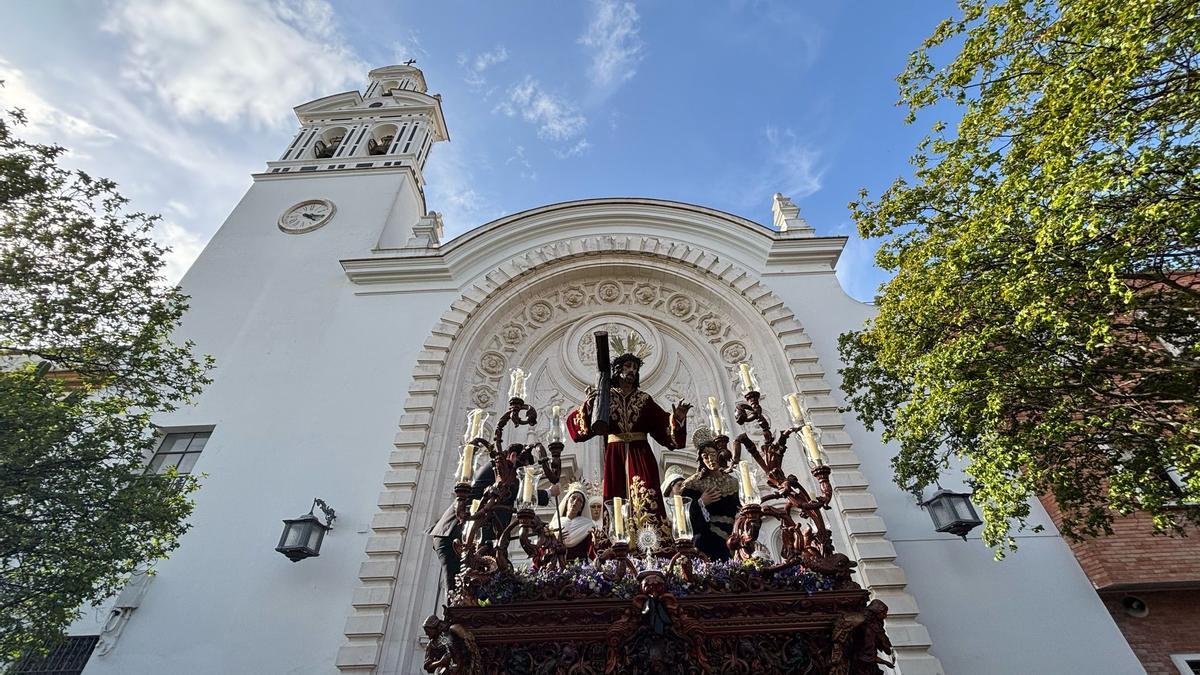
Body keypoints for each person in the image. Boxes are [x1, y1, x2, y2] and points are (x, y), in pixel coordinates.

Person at [567, 351, 690, 518]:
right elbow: (581, 429)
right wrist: (589, 405)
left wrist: (678, 419)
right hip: (614, 454)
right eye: (627, 366)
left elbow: (663, 427)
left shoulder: (645, 399)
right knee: (616, 499)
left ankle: (650, 536)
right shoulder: (604, 397)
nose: (632, 370)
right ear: (617, 370)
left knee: (647, 497)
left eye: (635, 367)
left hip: (640, 454)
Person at [427, 444, 557, 589]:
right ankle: (452, 611)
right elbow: (513, 489)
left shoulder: (502, 474)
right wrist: (548, 493)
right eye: (521, 469)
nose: (521, 477)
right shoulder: (497, 469)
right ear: (513, 456)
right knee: (456, 587)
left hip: (469, 536)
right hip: (452, 533)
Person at [680, 429, 739, 561]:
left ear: (718, 454)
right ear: (701, 460)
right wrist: (701, 503)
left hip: (734, 535)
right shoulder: (693, 484)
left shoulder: (732, 481)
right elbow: (684, 516)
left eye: (712, 454)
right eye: (705, 457)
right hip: (709, 537)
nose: (710, 459)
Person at [552, 483, 596, 562]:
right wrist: (556, 541)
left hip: (580, 569)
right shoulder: (554, 525)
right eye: (573, 498)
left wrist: (596, 542)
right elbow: (546, 551)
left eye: (579, 500)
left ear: (581, 507)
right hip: (558, 567)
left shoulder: (588, 526)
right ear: (567, 502)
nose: (575, 502)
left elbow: (592, 551)